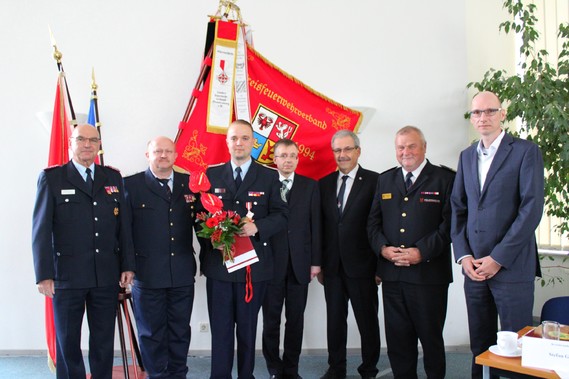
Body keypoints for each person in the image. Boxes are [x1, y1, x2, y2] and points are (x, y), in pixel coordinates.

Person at [451, 91, 545, 379]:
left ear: (502, 114)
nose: (483, 118)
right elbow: (458, 207)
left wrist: (498, 258)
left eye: (490, 111)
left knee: (515, 347)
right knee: (480, 345)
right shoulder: (467, 156)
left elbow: (531, 209)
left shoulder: (525, 151)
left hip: (511, 267)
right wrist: (464, 255)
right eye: (477, 113)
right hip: (475, 268)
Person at [32, 124, 135, 379]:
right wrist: (44, 274)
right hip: (67, 276)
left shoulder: (112, 177)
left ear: (99, 144)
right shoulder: (52, 178)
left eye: (93, 140)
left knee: (102, 341)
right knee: (68, 341)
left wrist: (128, 265)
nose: (87, 144)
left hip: (105, 274)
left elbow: (123, 226)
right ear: (70, 143)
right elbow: (41, 230)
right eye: (81, 139)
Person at [199, 119, 288, 379]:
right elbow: (198, 216)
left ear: (253, 142)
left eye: (245, 138)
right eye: (234, 138)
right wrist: (212, 235)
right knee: (221, 329)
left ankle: (245, 376)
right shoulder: (211, 175)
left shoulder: (271, 176)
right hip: (220, 268)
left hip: (254, 268)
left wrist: (257, 227)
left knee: (248, 330)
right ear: (227, 142)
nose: (239, 143)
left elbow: (282, 216)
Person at [367, 126, 455, 379]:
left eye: (411, 146)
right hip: (393, 275)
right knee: (398, 341)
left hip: (428, 276)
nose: (406, 152)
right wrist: (382, 249)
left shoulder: (444, 179)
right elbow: (372, 223)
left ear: (424, 147)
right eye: (401, 147)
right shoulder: (385, 179)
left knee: (430, 339)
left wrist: (421, 252)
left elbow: (449, 226)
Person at [124, 136, 198, 379]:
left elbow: (205, 225)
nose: (163, 155)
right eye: (158, 151)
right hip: (147, 274)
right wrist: (126, 266)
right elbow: (123, 230)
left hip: (182, 272)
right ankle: (157, 375)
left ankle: (178, 374)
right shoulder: (131, 185)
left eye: (168, 151)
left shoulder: (192, 185)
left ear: (176, 156)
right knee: (151, 333)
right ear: (148, 155)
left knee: (179, 331)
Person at [318, 130, 380, 379]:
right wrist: (319, 264)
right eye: (337, 151)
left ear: (358, 151)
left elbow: (380, 226)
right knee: (334, 322)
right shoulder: (323, 184)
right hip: (332, 267)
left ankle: (369, 369)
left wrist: (380, 266)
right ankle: (336, 369)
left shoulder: (376, 181)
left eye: (347, 149)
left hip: (364, 267)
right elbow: (320, 227)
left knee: (367, 322)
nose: (342, 155)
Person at [262, 139, 322, 379]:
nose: (288, 160)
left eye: (292, 156)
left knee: (295, 321)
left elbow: (316, 226)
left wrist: (316, 262)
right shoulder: (265, 184)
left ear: (298, 159)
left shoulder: (310, 186)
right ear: (274, 159)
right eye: (283, 155)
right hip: (270, 266)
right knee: (271, 322)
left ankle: (291, 368)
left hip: (300, 265)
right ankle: (274, 367)